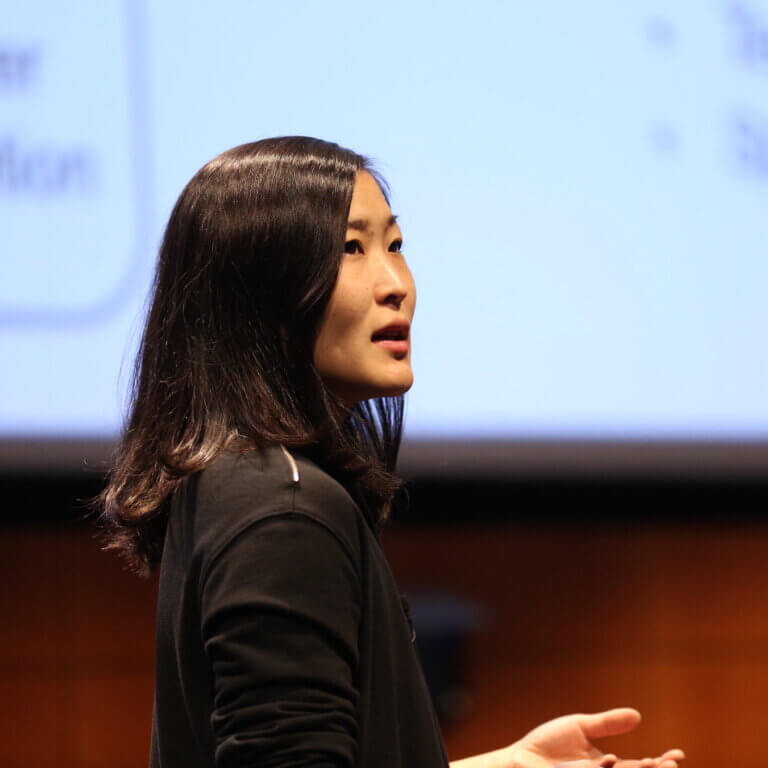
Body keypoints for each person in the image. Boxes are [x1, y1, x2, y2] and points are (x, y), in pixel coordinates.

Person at [100, 136, 685, 768]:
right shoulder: (283, 510)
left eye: (395, 246)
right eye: (352, 249)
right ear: (261, 292)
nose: (396, 284)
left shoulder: (245, 481)